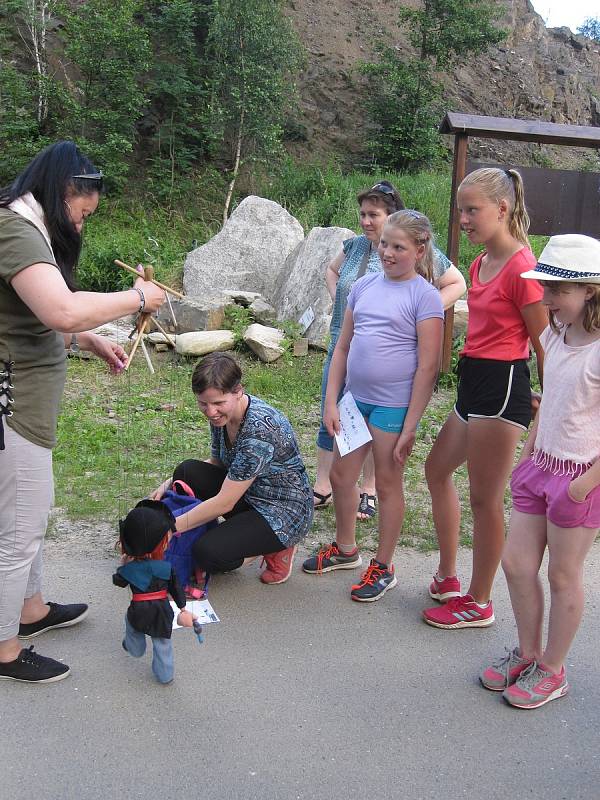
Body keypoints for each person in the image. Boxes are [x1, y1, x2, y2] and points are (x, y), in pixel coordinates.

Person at [0, 141, 165, 684]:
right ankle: (3, 648)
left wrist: (87, 341)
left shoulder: (28, 226)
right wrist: (136, 299)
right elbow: (60, 307)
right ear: (62, 192)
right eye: (82, 212)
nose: (82, 224)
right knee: (18, 530)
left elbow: (37, 323)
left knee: (27, 516)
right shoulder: (15, 231)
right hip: (13, 408)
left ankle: (32, 610)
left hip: (27, 406)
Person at [422, 167, 548, 630]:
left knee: (485, 499)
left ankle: (479, 602)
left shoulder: (523, 269)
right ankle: (449, 576)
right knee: (436, 470)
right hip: (473, 381)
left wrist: (548, 408)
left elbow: (544, 345)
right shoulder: (479, 264)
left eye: (472, 210)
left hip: (502, 388)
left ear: (503, 208)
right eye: (461, 210)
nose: (464, 220)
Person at [480, 234, 600, 708]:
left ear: (590, 290)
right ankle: (529, 652)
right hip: (541, 464)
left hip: (580, 477)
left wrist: (583, 485)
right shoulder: (555, 333)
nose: (546, 300)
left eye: (557, 292)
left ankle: (553, 667)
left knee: (563, 576)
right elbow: (550, 400)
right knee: (516, 563)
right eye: (545, 290)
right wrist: (529, 454)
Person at [303, 210, 444, 601]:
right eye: (385, 244)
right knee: (340, 477)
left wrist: (411, 425)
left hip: (393, 409)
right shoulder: (363, 286)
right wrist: (331, 401)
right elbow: (343, 347)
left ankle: (383, 566)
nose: (388, 252)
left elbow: (428, 367)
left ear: (418, 250)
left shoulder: (425, 296)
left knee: (385, 482)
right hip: (353, 403)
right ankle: (346, 549)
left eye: (399, 247)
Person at [313, 180, 465, 520]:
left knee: (386, 477)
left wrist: (422, 317)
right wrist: (342, 296)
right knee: (339, 463)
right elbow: (334, 275)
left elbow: (428, 366)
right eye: (363, 214)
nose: (367, 221)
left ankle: (378, 543)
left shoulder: (419, 288)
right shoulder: (356, 255)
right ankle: (339, 528)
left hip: (391, 399)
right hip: (349, 359)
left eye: (374, 214)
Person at [150, 353, 313, 586]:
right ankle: (226, 533)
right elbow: (218, 463)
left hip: (281, 512)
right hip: (248, 492)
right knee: (185, 472)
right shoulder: (223, 415)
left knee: (207, 553)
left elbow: (225, 502)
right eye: (202, 403)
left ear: (238, 391)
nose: (209, 411)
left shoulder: (260, 430)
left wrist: (169, 528)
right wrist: (169, 481)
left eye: (217, 403)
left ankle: (277, 547)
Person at [114, 500, 196, 685]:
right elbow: (176, 589)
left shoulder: (130, 569)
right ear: (161, 544)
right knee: (163, 643)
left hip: (139, 609)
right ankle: (165, 675)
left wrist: (123, 566)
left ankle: (135, 648)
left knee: (132, 625)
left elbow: (118, 582)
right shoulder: (167, 568)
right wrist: (183, 608)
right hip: (162, 611)